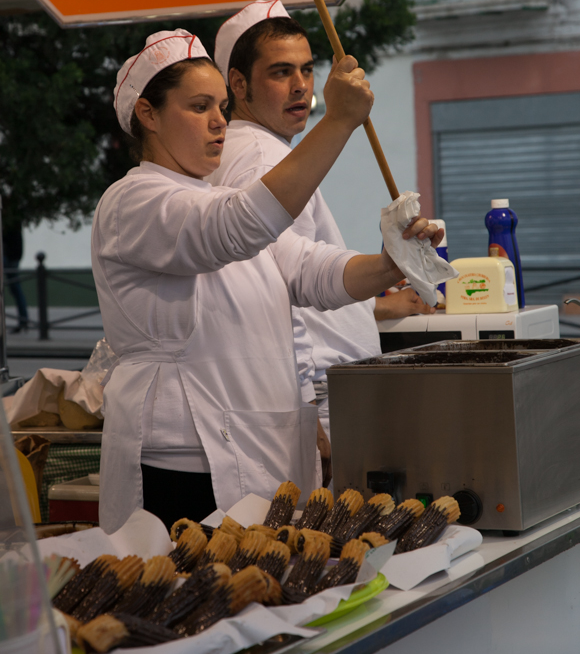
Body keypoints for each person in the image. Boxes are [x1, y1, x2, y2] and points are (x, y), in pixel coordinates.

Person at [92, 29, 441, 534]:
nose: (218, 121)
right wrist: (339, 120)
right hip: (184, 461)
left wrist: (390, 263)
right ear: (148, 115)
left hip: (260, 450)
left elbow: (308, 270)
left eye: (221, 105)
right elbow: (235, 228)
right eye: (198, 107)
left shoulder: (214, 199)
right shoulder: (134, 201)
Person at [209, 0, 433, 477]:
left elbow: (303, 268)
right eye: (280, 72)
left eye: (308, 70)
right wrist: (305, 406)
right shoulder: (257, 155)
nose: (300, 86)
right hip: (316, 401)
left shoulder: (265, 149)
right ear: (238, 84)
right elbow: (275, 295)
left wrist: (387, 271)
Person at [2, 219, 29, 334]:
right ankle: (24, 320)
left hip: (10, 256)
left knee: (15, 288)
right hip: (12, 256)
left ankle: (23, 320)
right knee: (15, 289)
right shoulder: (14, 217)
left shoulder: (11, 218)